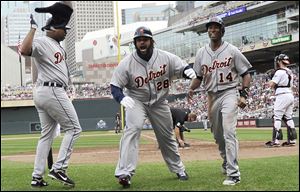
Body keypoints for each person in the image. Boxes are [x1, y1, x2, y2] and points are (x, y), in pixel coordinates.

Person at [110, 26, 197, 188]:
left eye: (145, 39)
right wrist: (121, 97)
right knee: (132, 130)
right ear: (135, 43)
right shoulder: (127, 63)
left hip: (159, 102)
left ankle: (179, 168)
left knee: (166, 137)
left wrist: (188, 71)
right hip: (137, 101)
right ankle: (124, 172)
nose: (141, 42)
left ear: (152, 41)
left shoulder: (165, 57)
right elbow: (115, 86)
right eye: (138, 40)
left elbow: (182, 66)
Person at [21, 2, 81, 187]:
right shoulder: (42, 40)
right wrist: (32, 29)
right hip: (51, 90)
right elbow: (24, 50)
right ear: (53, 28)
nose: (65, 31)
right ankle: (59, 168)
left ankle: (37, 176)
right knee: (74, 129)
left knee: (46, 136)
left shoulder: (56, 45)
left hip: (48, 91)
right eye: (63, 28)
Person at [187, 16, 252, 186]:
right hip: (211, 96)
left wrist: (244, 94)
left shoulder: (232, 50)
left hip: (229, 92)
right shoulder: (202, 52)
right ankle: (225, 160)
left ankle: (234, 173)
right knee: (217, 134)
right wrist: (191, 88)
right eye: (210, 27)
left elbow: (246, 73)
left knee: (229, 131)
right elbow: (199, 77)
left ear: (222, 30)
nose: (212, 30)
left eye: (216, 27)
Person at [265, 54, 297, 147]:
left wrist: (269, 78)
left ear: (279, 62)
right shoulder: (290, 71)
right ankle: (292, 140)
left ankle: (275, 141)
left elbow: (271, 84)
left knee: (277, 117)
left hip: (282, 95)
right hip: (289, 94)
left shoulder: (279, 72)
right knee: (288, 117)